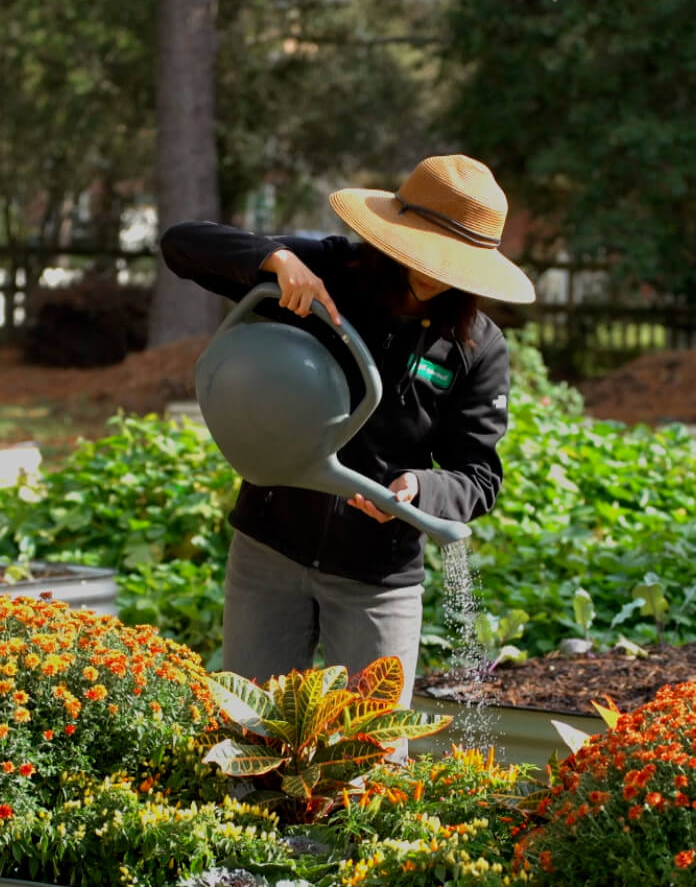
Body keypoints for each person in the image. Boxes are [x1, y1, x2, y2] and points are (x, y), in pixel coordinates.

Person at [160, 154, 535, 707]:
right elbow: (182, 244)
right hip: (271, 544)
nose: (435, 270)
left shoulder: (477, 346)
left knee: (370, 754)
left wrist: (418, 490)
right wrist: (275, 260)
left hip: (378, 576)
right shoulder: (333, 269)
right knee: (251, 732)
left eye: (453, 259)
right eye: (427, 248)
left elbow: (478, 476)